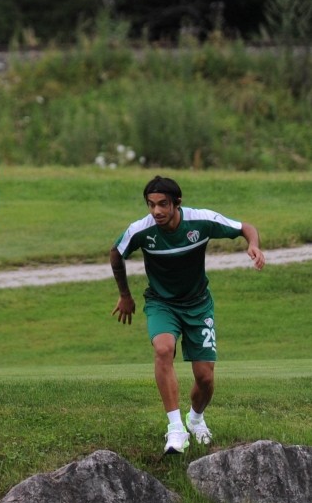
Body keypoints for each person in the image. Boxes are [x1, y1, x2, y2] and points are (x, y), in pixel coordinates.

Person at [109, 176, 265, 455]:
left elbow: (246, 228)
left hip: (198, 305)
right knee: (163, 348)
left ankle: (195, 419)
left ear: (177, 203)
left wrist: (253, 245)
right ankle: (175, 429)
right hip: (161, 303)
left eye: (163, 204)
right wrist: (125, 295)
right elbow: (116, 252)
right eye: (151, 205)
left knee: (205, 378)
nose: (156, 211)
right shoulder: (141, 230)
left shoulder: (201, 221)